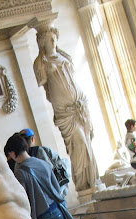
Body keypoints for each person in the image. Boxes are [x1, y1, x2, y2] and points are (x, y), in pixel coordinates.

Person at [33, 26, 99, 192]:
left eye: (54, 37)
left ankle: (93, 181)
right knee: (79, 143)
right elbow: (45, 86)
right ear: (42, 42)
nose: (53, 41)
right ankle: (84, 185)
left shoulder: (64, 56)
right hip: (65, 112)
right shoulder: (41, 62)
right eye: (49, 38)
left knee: (88, 144)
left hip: (80, 106)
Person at [19, 128, 71, 197]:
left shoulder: (19, 161)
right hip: (55, 194)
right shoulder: (43, 150)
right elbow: (58, 166)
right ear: (32, 139)